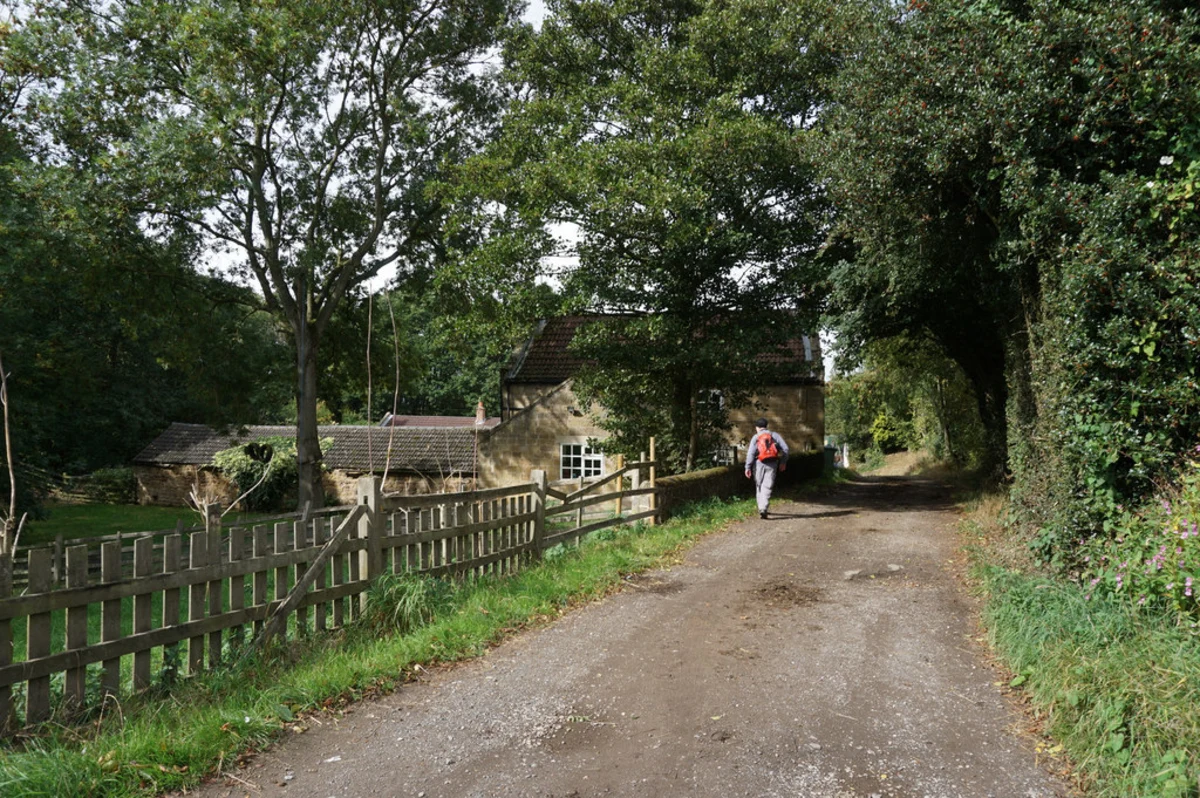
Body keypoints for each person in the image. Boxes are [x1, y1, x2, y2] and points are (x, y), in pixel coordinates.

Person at [745, 418, 788, 519]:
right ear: (766, 426)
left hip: (759, 462)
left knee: (759, 484)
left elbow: (750, 453)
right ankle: (763, 508)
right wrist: (783, 462)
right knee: (767, 486)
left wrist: (747, 467)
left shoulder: (756, 437)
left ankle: (761, 507)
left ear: (757, 427)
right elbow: (786, 449)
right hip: (772, 463)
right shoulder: (774, 435)